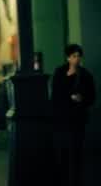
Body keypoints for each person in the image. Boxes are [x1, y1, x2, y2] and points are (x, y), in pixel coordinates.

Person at [51, 44, 96, 186]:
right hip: (62, 118)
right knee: (62, 151)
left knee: (77, 150)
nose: (77, 59)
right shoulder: (59, 73)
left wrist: (81, 99)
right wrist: (68, 98)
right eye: (74, 56)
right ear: (68, 58)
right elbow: (55, 95)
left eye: (78, 56)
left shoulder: (85, 75)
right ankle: (63, 179)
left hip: (78, 118)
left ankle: (76, 180)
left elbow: (92, 96)